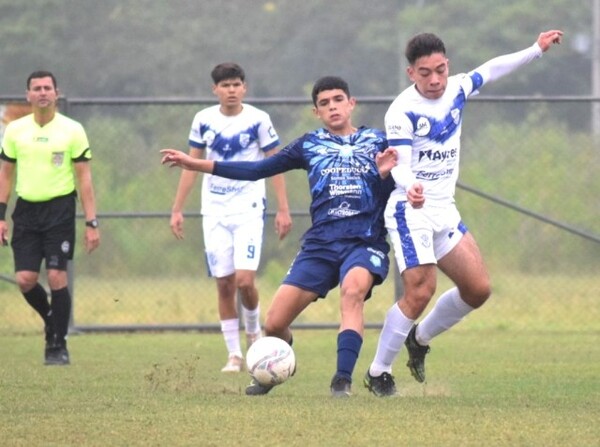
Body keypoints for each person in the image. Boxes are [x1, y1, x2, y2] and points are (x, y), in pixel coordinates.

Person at [161, 76, 394, 397]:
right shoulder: (308, 144)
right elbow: (256, 169)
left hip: (364, 242)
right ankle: (279, 362)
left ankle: (342, 380)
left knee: (352, 292)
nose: (332, 107)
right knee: (273, 325)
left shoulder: (378, 141)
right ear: (316, 112)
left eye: (338, 99)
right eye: (324, 103)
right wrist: (195, 164)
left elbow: (399, 185)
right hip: (321, 245)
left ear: (351, 104)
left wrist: (385, 177)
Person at [363, 30, 564, 397]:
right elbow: (399, 165)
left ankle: (419, 340)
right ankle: (379, 372)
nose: (435, 79)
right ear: (411, 74)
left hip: (444, 210)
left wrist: (536, 49)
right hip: (412, 209)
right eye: (425, 73)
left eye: (440, 69)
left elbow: (492, 68)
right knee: (421, 289)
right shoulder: (401, 111)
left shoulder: (457, 88)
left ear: (448, 66)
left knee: (478, 289)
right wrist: (411, 186)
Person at [169, 62, 292, 374]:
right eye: (225, 86)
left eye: (237, 84)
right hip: (214, 210)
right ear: (215, 90)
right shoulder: (203, 120)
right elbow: (191, 164)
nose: (232, 90)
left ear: (244, 87)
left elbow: (275, 163)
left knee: (245, 280)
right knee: (224, 283)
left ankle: (253, 336)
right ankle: (234, 354)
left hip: (249, 207)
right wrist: (177, 208)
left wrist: (283, 208)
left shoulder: (258, 120)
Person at [0, 70, 100, 366]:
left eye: (47, 88)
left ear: (56, 93)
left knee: (57, 277)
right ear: (28, 95)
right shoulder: (15, 130)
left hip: (59, 211)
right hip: (27, 212)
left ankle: (57, 344)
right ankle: (51, 321)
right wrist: (1, 216)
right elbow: (5, 174)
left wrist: (92, 222)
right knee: (25, 280)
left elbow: (84, 180)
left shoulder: (72, 130)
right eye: (36, 88)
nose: (42, 92)